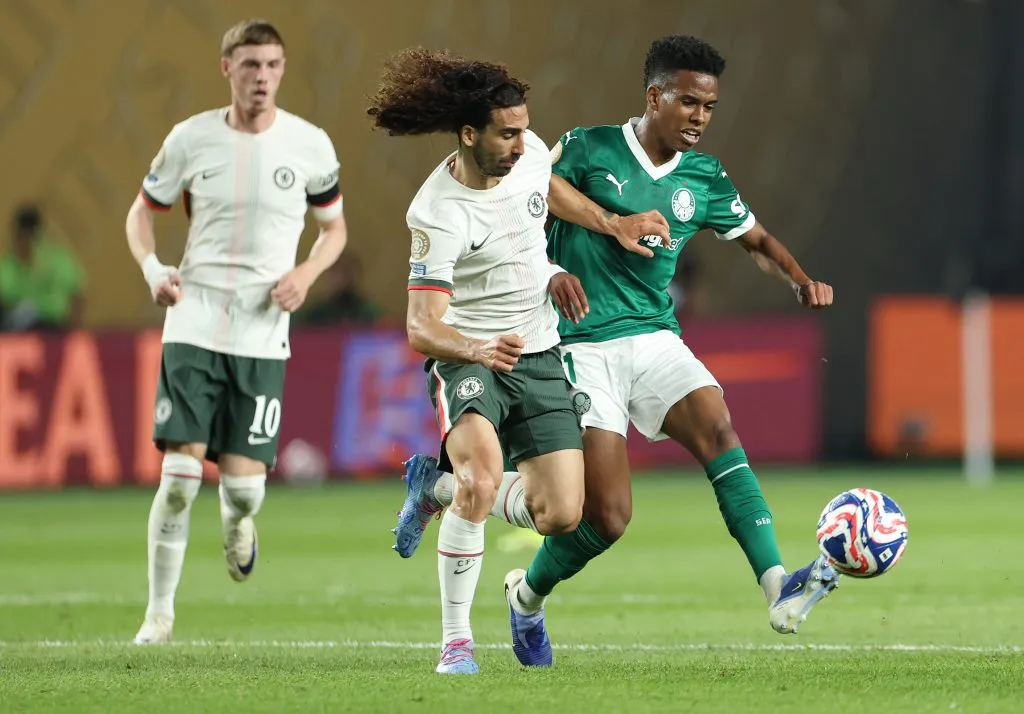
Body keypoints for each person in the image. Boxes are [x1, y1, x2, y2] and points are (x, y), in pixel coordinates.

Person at [393, 35, 838, 666]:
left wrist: (799, 277)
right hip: (575, 343)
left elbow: (755, 239)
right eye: (689, 103)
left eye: (709, 107)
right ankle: (522, 594)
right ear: (655, 96)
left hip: (654, 336)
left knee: (716, 422)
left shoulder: (702, 177)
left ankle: (776, 585)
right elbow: (525, 217)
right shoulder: (581, 147)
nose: (700, 117)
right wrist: (553, 269)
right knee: (603, 517)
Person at [367, 48, 667, 675]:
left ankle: (435, 486)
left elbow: (547, 188)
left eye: (523, 129)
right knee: (482, 482)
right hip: (469, 358)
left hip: (538, 349)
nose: (520, 143)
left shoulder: (527, 152)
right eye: (505, 133)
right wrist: (477, 349)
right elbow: (421, 327)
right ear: (469, 134)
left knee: (561, 513)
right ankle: (456, 645)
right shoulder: (437, 212)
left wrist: (609, 225)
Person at [125, 18, 347, 645]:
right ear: (228, 68)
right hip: (193, 318)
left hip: (261, 329)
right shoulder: (190, 139)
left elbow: (335, 230)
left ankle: (239, 524)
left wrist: (306, 273)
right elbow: (141, 216)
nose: (262, 77)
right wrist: (151, 268)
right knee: (178, 477)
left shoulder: (309, 145)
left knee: (245, 493)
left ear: (282, 70)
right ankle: (159, 615)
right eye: (250, 64)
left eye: (272, 65)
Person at [0, 204, 85, 331]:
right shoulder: (7, 267)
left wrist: (72, 333)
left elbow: (79, 296)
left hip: (55, 331)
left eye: (30, 235)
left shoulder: (59, 261)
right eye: (23, 235)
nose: (26, 241)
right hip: (17, 334)